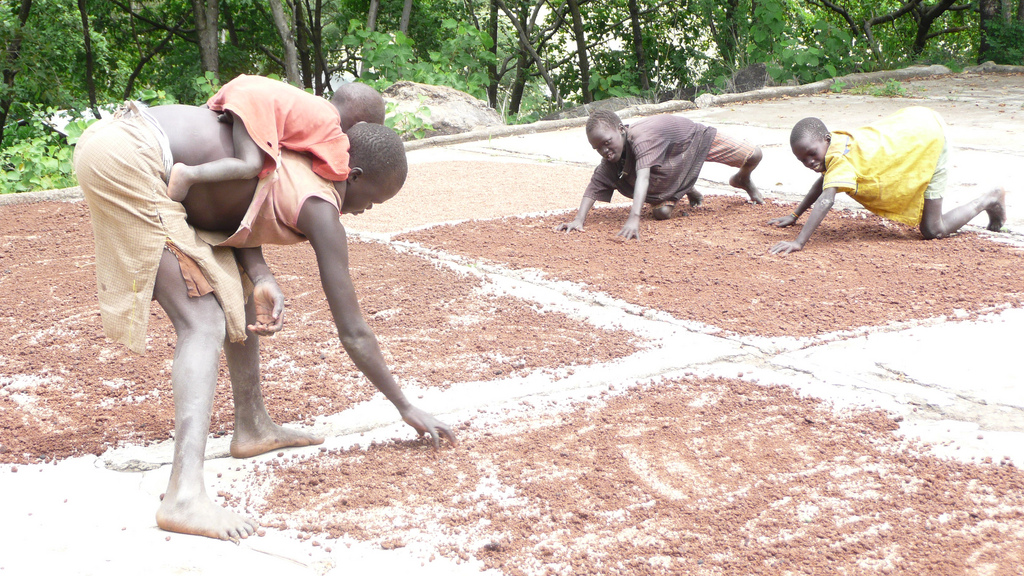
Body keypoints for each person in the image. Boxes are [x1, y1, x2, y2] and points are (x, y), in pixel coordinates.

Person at [73, 102, 456, 543]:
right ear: (354, 177)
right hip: (132, 156)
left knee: (236, 293)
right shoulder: (321, 207)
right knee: (203, 321)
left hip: (129, 140)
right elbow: (352, 330)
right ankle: (184, 496)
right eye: (373, 200)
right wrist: (404, 406)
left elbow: (235, 210)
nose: (368, 210)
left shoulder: (304, 157)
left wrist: (261, 276)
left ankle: (252, 425)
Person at [769, 106, 1008, 254]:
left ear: (826, 139)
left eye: (811, 154)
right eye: (802, 160)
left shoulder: (839, 159)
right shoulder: (835, 142)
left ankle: (990, 198)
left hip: (929, 139)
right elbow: (825, 182)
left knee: (933, 229)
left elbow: (826, 200)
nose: (809, 162)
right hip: (915, 122)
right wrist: (795, 215)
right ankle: (990, 199)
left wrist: (799, 242)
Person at [166, 75, 385, 202]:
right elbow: (338, 174)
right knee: (250, 165)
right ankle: (188, 175)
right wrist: (338, 207)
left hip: (242, 85)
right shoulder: (333, 129)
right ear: (360, 127)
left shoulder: (316, 104)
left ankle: (228, 116)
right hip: (254, 102)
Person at [554, 109, 764, 240]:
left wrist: (634, 219)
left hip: (694, 138)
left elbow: (643, 177)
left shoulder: (642, 139)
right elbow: (596, 183)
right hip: (667, 160)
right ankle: (686, 187)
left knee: (754, 155)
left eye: (607, 142)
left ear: (621, 129)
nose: (604, 151)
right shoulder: (612, 157)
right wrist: (579, 220)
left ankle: (742, 178)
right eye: (598, 148)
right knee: (662, 212)